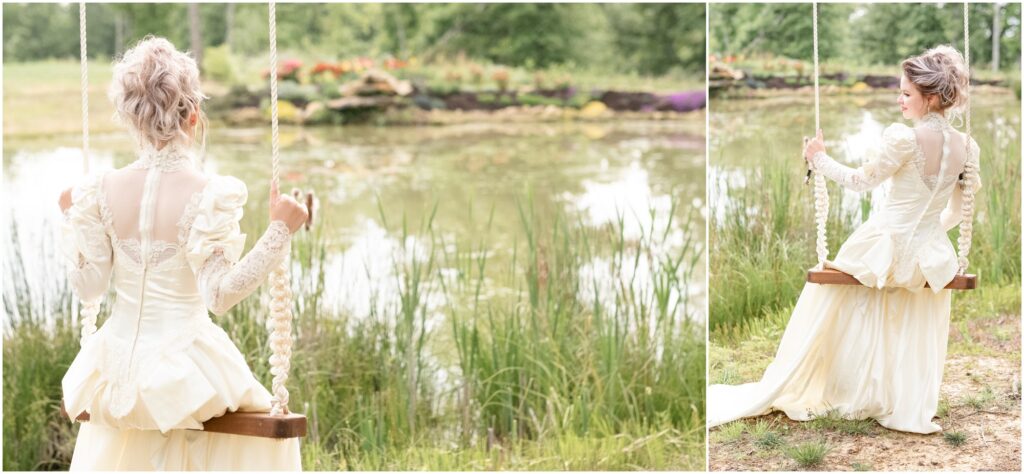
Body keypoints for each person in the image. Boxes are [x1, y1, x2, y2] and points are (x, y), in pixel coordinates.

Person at [58, 36, 308, 470]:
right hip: (184, 368)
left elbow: (90, 285)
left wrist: (74, 222)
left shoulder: (99, 191)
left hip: (115, 370)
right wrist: (279, 230)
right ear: (193, 114)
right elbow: (220, 295)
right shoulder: (210, 194)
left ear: (130, 117)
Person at [708, 45, 981, 434]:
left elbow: (860, 181)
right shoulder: (968, 146)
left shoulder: (904, 138)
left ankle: (852, 389)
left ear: (931, 97)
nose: (899, 99)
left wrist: (819, 158)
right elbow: (957, 210)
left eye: (906, 93)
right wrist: (930, 237)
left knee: (841, 307)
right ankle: (901, 401)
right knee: (912, 321)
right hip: (931, 256)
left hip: (881, 245)